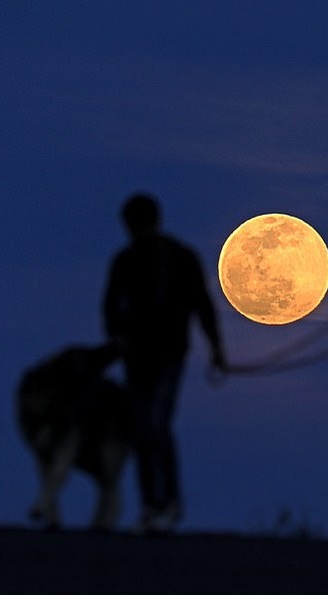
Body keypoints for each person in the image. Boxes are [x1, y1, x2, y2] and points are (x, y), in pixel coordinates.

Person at [102, 192, 226, 533]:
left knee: (156, 426)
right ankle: (152, 505)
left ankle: (166, 503)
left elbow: (203, 306)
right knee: (145, 430)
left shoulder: (180, 258)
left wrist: (217, 349)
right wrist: (118, 339)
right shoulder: (126, 261)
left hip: (169, 356)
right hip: (139, 357)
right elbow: (111, 309)